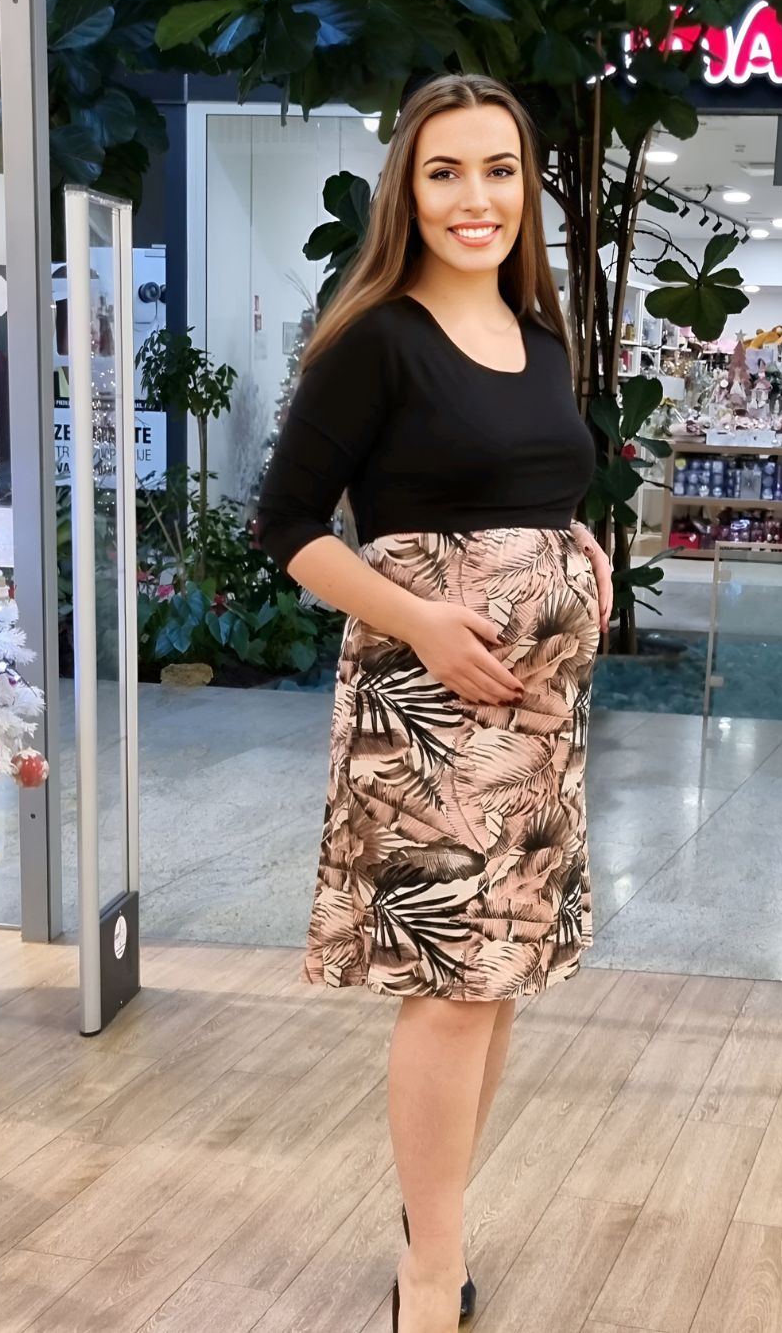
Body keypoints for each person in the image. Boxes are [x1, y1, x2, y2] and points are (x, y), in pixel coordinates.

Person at [254, 73, 613, 1333]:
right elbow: (288, 528)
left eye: (500, 170)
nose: (476, 198)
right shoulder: (377, 339)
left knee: (494, 980)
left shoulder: (541, 336)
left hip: (536, 724)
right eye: (446, 171)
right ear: (408, 188)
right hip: (431, 713)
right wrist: (419, 620)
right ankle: (427, 1274)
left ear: (527, 187)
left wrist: (576, 547)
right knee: (451, 987)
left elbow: (530, 487)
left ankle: (438, 1226)